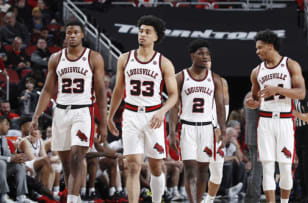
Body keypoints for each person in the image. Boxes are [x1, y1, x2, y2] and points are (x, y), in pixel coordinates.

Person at [30, 19, 108, 203]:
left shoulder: (94, 57)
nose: (72, 35)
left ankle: (72, 199)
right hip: (61, 112)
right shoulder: (56, 58)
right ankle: (75, 196)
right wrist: (36, 116)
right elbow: (48, 90)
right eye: (68, 32)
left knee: (76, 156)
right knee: (66, 161)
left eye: (75, 32)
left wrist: (103, 122)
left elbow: (100, 92)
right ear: (65, 36)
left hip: (82, 112)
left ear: (82, 35)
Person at [107, 15, 178, 203]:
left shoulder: (164, 62)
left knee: (156, 166)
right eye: (140, 30)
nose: (142, 34)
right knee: (133, 165)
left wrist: (163, 111)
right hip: (130, 114)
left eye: (147, 32)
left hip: (153, 116)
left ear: (156, 37)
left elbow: (173, 95)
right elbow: (118, 90)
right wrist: (110, 115)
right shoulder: (124, 58)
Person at [246, 30, 306, 203]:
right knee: (267, 166)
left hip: (285, 120)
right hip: (265, 121)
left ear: (270, 46)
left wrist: (278, 90)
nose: (257, 51)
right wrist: (253, 102)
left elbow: (301, 93)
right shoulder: (256, 71)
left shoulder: (290, 65)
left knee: (286, 167)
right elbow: (255, 98)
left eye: (260, 48)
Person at [169, 39, 226, 203]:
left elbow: (220, 106)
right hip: (187, 127)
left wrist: (222, 127)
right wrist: (172, 132)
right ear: (192, 55)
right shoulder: (180, 77)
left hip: (207, 129)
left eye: (207, 54)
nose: (205, 56)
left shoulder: (215, 79)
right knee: (190, 170)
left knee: (203, 172)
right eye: (201, 53)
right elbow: (173, 107)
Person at [204, 60, 230, 203]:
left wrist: (219, 127)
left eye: (208, 60)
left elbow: (224, 106)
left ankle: (209, 199)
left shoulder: (220, 81)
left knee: (217, 171)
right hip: (195, 127)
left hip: (215, 129)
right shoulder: (187, 80)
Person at [0, 115, 32, 203]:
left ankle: (21, 197)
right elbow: (8, 158)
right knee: (1, 163)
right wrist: (10, 159)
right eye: (6, 124)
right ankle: (3, 196)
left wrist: (16, 157)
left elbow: (8, 155)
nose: (9, 127)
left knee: (19, 164)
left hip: (3, 170)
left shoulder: (3, 138)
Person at [243, 91, 262, 203]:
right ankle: (255, 198)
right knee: (257, 170)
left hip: (250, 136)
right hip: (258, 137)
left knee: (254, 169)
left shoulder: (248, 95)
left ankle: (250, 197)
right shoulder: (256, 95)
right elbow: (264, 113)